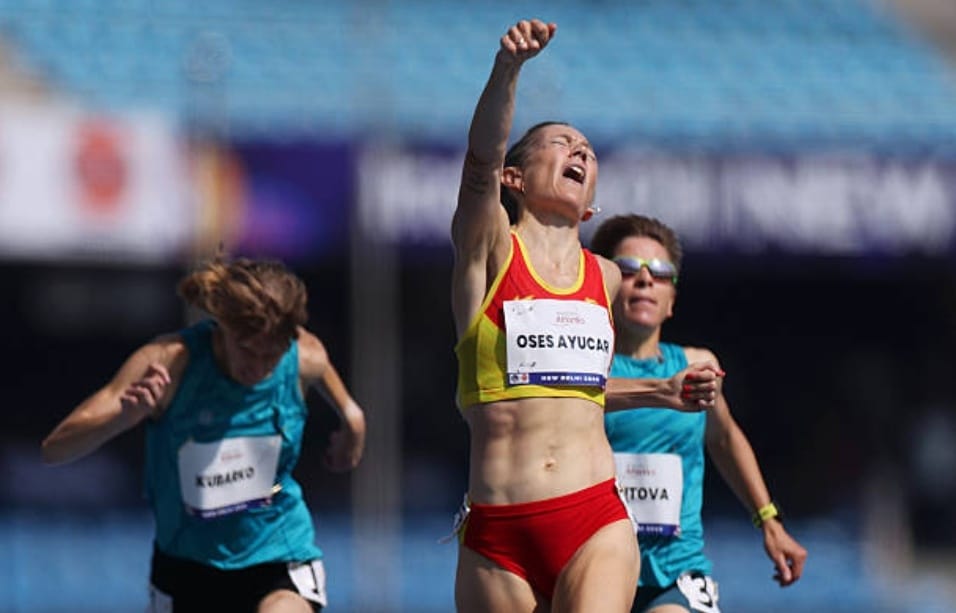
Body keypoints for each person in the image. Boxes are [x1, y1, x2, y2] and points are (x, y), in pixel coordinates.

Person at [450, 18, 724, 612]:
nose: (580, 150)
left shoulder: (604, 277)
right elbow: (478, 162)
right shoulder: (491, 249)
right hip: (497, 529)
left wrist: (664, 387)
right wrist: (509, 70)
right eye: (560, 143)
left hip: (592, 516)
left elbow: (589, 390)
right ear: (515, 178)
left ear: (591, 202)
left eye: (588, 151)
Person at [41, 256, 366, 612]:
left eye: (270, 355)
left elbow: (322, 368)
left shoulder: (303, 356)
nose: (257, 367)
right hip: (187, 569)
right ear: (221, 326)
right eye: (246, 349)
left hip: (277, 554)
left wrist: (352, 417)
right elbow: (54, 449)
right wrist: (124, 416)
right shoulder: (169, 363)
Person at [589, 213, 808, 613]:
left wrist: (768, 520)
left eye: (658, 273)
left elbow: (724, 438)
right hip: (589, 570)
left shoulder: (697, 367)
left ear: (672, 298)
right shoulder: (579, 373)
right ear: (602, 286)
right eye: (628, 269)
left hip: (677, 573)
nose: (644, 280)